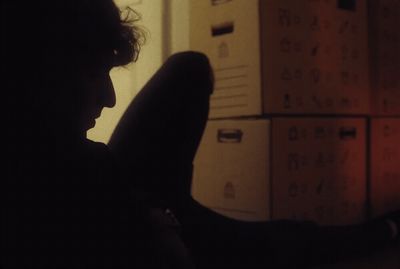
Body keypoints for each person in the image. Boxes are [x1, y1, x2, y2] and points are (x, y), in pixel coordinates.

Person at [2, 0, 399, 268]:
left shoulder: (77, 159)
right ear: (30, 68)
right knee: (267, 244)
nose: (108, 98)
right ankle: (384, 231)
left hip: (133, 202)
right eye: (92, 72)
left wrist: (153, 216)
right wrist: (155, 231)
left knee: (188, 68)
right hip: (136, 219)